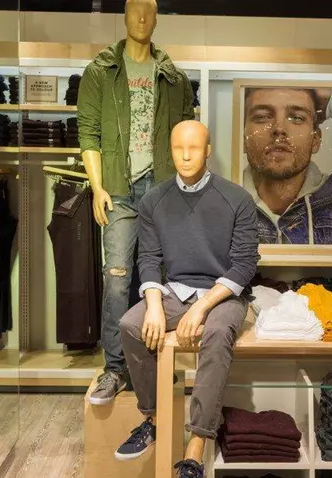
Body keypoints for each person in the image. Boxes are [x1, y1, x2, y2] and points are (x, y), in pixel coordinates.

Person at [114, 121, 259, 478]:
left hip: (223, 293)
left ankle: (196, 443)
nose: (186, 155)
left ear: (208, 150)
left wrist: (202, 307)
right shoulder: (154, 200)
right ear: (170, 150)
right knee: (130, 325)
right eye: (179, 148)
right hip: (175, 290)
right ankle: (153, 418)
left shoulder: (237, 199)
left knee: (217, 333)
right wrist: (152, 305)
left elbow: (244, 265)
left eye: (194, 148)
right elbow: (149, 259)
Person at [77, 0, 195, 405]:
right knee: (117, 277)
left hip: (161, 190)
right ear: (124, 16)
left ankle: (151, 366)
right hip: (118, 188)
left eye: (149, 11)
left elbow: (186, 136)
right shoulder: (101, 71)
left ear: (157, 18)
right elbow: (88, 133)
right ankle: (114, 369)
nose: (142, 18)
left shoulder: (173, 77)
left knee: (158, 280)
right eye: (134, 10)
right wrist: (97, 187)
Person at [242, 87, 332, 245]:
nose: (279, 129)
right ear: (243, 138)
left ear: (316, 140)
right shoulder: (222, 203)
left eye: (296, 118)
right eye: (263, 117)